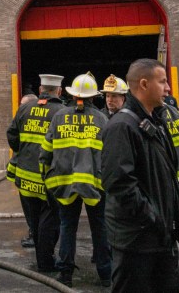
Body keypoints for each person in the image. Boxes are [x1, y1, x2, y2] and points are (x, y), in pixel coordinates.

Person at [102, 59, 179, 293]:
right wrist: (153, 218)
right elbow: (119, 184)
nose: (168, 88)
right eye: (162, 82)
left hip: (160, 238)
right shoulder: (122, 126)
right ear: (143, 84)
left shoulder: (154, 121)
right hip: (138, 243)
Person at [39, 72, 110, 287]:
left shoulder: (59, 117)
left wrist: (48, 180)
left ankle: (65, 274)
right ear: (93, 96)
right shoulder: (102, 119)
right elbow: (109, 156)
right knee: (100, 227)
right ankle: (106, 274)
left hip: (65, 184)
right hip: (95, 185)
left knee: (67, 227)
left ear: (71, 95)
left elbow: (45, 154)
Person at [6, 74, 63, 264]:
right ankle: (45, 261)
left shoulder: (25, 108)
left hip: (25, 177)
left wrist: (23, 151)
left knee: (35, 221)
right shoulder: (62, 112)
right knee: (50, 221)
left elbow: (11, 135)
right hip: (49, 179)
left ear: (40, 90)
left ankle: (42, 257)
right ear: (59, 91)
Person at [7, 93, 39, 245]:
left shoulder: (22, 116)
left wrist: (21, 149)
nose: (21, 107)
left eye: (23, 104)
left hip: (27, 170)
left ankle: (35, 235)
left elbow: (12, 137)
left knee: (31, 207)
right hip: (32, 170)